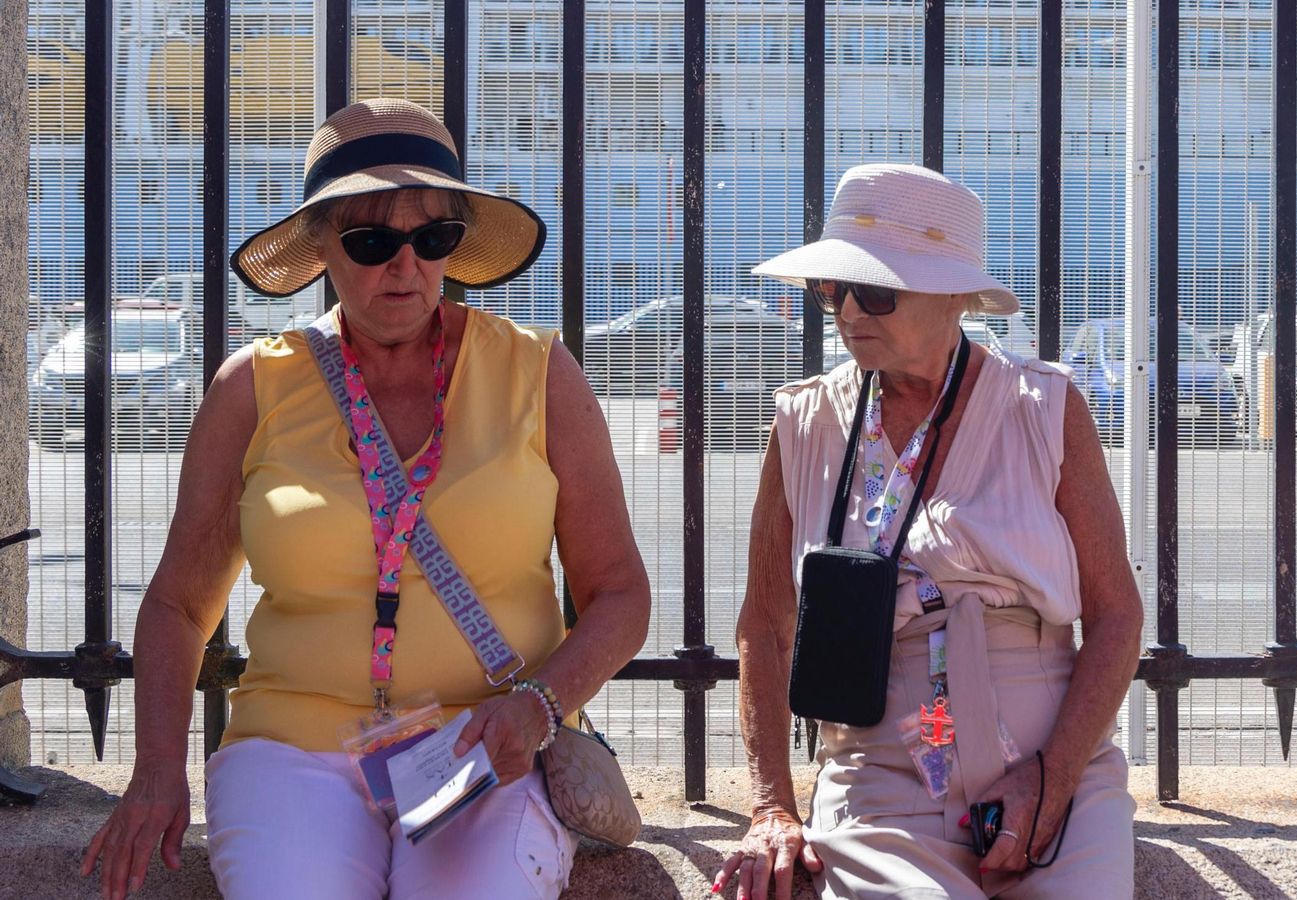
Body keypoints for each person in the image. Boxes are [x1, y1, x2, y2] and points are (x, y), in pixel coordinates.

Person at [82, 98, 651, 899]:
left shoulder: (537, 374)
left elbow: (620, 595)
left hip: (485, 749)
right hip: (290, 750)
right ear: (322, 247)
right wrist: (154, 775)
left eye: (433, 238)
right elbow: (178, 604)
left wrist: (537, 707)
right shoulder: (253, 388)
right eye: (373, 239)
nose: (406, 265)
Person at [717, 163, 1144, 899]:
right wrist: (771, 808)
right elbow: (764, 623)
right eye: (832, 290)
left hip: (1054, 768)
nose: (850, 311)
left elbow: (1116, 616)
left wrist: (1053, 775)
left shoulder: (1043, 409)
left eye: (875, 291)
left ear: (954, 296)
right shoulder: (805, 423)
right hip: (884, 780)